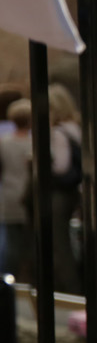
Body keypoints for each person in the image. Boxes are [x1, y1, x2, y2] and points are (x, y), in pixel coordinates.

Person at [45, 82, 84, 293]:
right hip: (73, 192)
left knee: (60, 244)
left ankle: (70, 290)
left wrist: (39, 162)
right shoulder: (75, 127)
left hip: (60, 193)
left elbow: (60, 166)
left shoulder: (59, 132)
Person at [0, 99, 35, 283]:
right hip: (31, 196)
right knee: (31, 243)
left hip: (9, 194)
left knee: (12, 244)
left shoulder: (4, 143)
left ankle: (11, 281)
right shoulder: (35, 143)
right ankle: (29, 278)